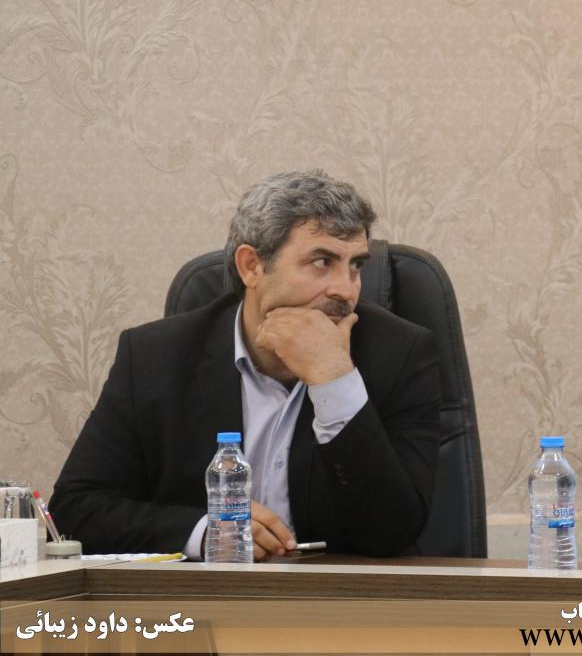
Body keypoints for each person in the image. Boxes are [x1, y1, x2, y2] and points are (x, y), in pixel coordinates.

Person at [51, 170, 441, 559]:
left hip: (339, 592)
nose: (346, 289)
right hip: (205, 593)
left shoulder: (401, 355)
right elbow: (75, 510)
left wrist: (335, 381)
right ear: (251, 266)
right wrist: (208, 532)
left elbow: (392, 532)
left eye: (356, 265)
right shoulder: (156, 356)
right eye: (322, 262)